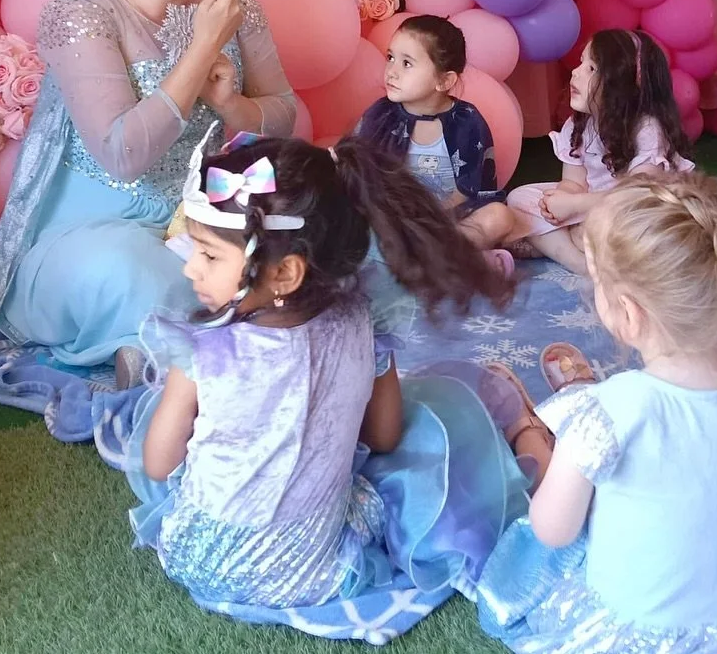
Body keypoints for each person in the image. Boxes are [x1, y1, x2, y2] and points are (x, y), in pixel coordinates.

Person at [127, 134, 531, 621]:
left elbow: (157, 464)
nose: (190, 267)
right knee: (404, 458)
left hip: (196, 558)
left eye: (210, 255)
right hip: (315, 571)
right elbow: (384, 437)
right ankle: (521, 428)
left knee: (163, 416)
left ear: (285, 274)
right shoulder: (366, 320)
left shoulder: (205, 348)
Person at [475, 173, 717, 654]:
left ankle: (534, 436)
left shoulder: (614, 407)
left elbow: (553, 531)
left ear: (628, 312)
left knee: (535, 531)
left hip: (635, 627)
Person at [0, 0, 296, 379]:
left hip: (206, 221)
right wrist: (204, 47)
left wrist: (231, 106)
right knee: (127, 271)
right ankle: (163, 349)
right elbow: (123, 154)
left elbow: (287, 115)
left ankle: (159, 351)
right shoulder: (81, 14)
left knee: (313, 239)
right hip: (91, 233)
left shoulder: (231, 1)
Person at [506, 29, 695, 274]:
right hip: (589, 205)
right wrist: (558, 204)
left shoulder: (646, 129)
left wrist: (575, 206)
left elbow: (636, 196)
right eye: (581, 62)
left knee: (632, 232)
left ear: (624, 84)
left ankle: (555, 241)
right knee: (519, 198)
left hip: (636, 209)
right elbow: (572, 183)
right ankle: (580, 262)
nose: (575, 72)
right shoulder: (578, 124)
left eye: (591, 68)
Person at [355, 15, 516, 276]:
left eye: (407, 63)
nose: (391, 71)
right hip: (394, 220)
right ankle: (460, 263)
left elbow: (469, 189)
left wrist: (428, 219)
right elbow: (362, 174)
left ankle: (426, 261)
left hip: (447, 219)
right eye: (390, 58)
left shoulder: (467, 121)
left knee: (500, 217)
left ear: (445, 81)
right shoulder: (379, 115)